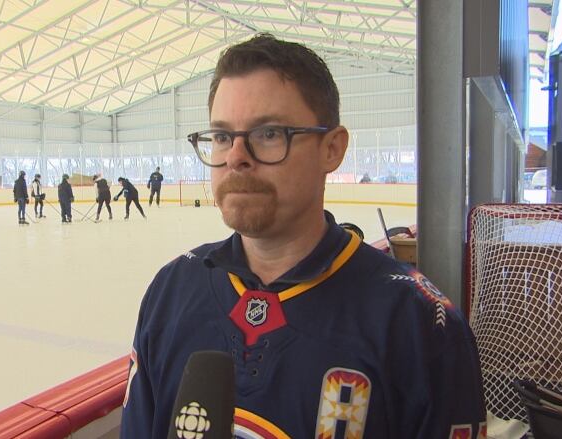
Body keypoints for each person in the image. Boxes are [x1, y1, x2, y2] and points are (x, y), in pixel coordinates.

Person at [120, 34, 486, 438]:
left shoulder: (419, 323)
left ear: (332, 149)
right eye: (222, 136)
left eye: (270, 133)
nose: (236, 156)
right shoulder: (171, 290)